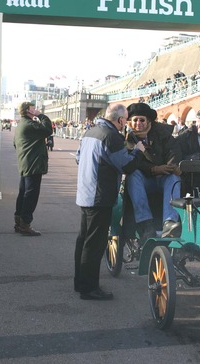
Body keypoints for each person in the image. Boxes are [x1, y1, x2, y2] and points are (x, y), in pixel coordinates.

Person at [74, 104, 144, 300]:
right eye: (126, 120)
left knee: (83, 240)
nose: (126, 124)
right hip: (100, 196)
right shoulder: (111, 136)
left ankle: (80, 282)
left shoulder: (91, 131)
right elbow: (127, 165)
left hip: (85, 192)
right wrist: (137, 150)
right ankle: (89, 288)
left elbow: (79, 158)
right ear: (120, 120)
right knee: (95, 244)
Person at [123, 102, 182, 240]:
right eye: (135, 120)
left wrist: (171, 166)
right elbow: (131, 162)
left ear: (148, 121)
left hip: (163, 177)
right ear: (130, 122)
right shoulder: (126, 139)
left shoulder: (162, 134)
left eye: (142, 120)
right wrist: (153, 169)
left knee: (174, 178)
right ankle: (145, 223)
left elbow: (173, 150)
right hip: (144, 179)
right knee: (133, 176)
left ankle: (170, 222)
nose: (139, 123)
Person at [12, 101, 53, 236]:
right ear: (28, 110)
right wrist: (41, 115)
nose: (35, 109)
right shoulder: (30, 125)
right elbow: (48, 129)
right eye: (33, 108)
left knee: (23, 193)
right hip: (33, 164)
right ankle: (25, 224)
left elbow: (14, 144)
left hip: (25, 164)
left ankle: (19, 221)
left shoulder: (21, 125)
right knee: (31, 195)